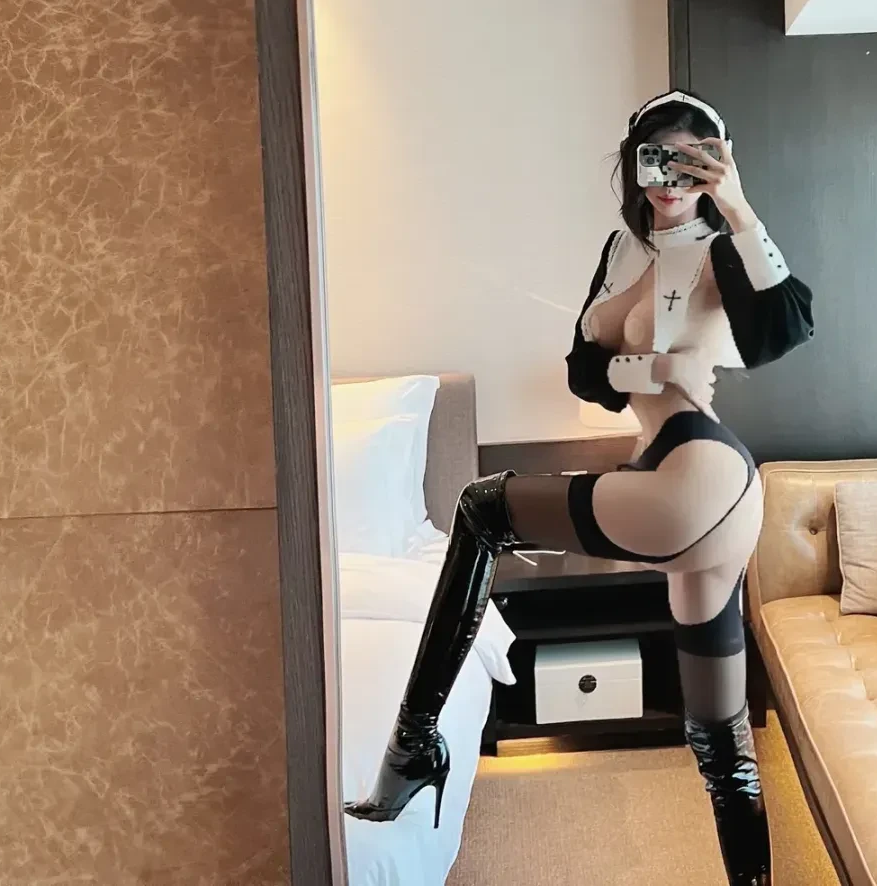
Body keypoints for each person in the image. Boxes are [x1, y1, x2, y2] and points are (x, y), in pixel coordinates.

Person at [346, 90, 814, 886]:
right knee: (718, 734)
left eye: (692, 159)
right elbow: (585, 377)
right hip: (697, 484)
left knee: (482, 509)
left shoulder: (723, 247)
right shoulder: (621, 250)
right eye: (656, 158)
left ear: (717, 162)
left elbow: (785, 330)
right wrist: (651, 365)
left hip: (697, 472)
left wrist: (737, 206)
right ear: (634, 164)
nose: (671, 177)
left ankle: (413, 746)